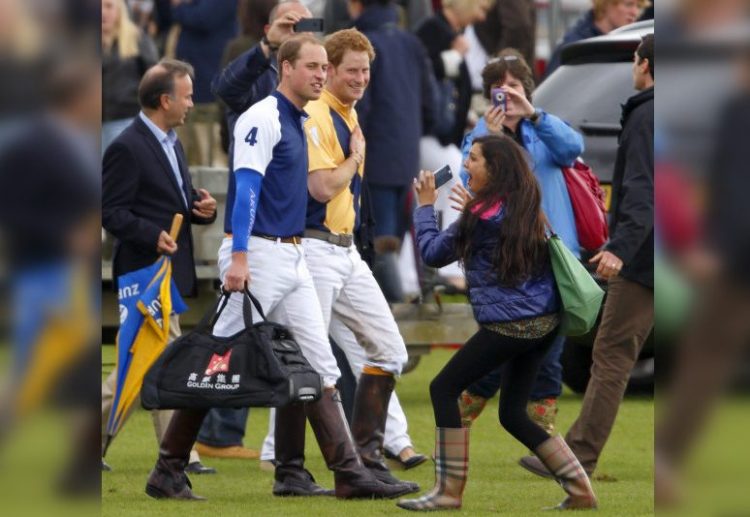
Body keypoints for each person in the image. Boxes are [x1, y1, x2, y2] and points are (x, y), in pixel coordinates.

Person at [145, 35, 408, 501]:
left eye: (324, 68)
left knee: (316, 364)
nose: (321, 75)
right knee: (214, 361)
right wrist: (241, 255)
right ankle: (167, 470)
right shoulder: (262, 117)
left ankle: (323, 473)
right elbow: (246, 190)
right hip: (260, 255)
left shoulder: (301, 119)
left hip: (293, 256)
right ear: (285, 68)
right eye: (312, 67)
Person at [210, 1, 426, 470]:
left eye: (362, 70)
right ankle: (197, 455)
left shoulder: (331, 115)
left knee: (346, 357)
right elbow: (305, 186)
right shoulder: (292, 114)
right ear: (291, 68)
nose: (358, 78)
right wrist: (241, 253)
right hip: (302, 247)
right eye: (340, 69)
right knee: (227, 352)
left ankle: (357, 456)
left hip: (332, 251)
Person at [397, 135, 597, 511]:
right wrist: (473, 210)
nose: (465, 166)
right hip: (544, 324)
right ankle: (580, 490)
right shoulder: (524, 203)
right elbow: (497, 230)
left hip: (510, 326)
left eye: (473, 159)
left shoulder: (478, 216)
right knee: (512, 413)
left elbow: (432, 254)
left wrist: (426, 206)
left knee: (443, 388)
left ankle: (448, 492)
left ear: (496, 169)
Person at [520, 33, 654, 480]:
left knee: (612, 354)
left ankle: (577, 456)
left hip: (647, 260)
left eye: (635, 60)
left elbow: (642, 194)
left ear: (647, 65)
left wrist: (620, 248)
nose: (632, 69)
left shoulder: (647, 113)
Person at [298, 27, 417, 492]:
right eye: (352, 70)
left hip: (347, 251)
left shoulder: (349, 113)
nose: (361, 78)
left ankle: (366, 459)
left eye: (366, 71)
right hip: (313, 247)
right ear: (328, 70)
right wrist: (354, 158)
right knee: (310, 365)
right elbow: (322, 187)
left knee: (390, 352)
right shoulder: (317, 115)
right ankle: (324, 467)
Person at [455, 48, 582, 439]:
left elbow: (572, 149)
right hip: (504, 258)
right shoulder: (479, 138)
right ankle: (458, 419)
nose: (505, 95)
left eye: (513, 87)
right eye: (498, 88)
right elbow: (469, 178)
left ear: (527, 90)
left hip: (550, 254)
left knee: (549, 352)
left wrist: (534, 114)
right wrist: (487, 138)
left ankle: (544, 434)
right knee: (497, 347)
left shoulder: (542, 128)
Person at [102, 59, 218, 476]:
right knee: (156, 360)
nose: (191, 103)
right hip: (143, 274)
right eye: (186, 96)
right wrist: (151, 235)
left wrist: (200, 209)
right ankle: (181, 454)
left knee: (147, 363)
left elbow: (178, 202)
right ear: (165, 100)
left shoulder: (172, 141)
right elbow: (110, 212)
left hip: (167, 273)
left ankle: (178, 452)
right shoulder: (126, 146)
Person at [348, 0, 437, 302]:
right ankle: (400, 314)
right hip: (406, 157)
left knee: (379, 244)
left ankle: (395, 317)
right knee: (394, 241)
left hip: (374, 160)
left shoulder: (363, 46)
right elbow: (431, 103)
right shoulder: (412, 43)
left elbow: (362, 107)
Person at [101, 0, 159, 154]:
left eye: (108, 6)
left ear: (120, 10)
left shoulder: (137, 39)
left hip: (126, 119)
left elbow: (154, 80)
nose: (102, 12)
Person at [543, 0, 650, 79]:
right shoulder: (576, 46)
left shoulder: (633, 41)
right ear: (605, 4)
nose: (635, 12)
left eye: (639, 6)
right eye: (628, 4)